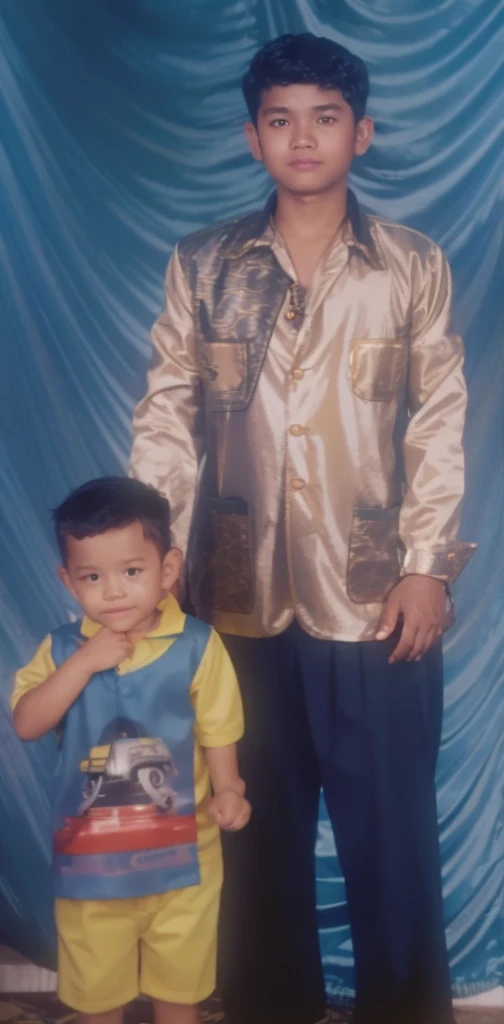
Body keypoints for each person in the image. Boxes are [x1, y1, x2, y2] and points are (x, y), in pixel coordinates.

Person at [130, 32, 476, 1024]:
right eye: (281, 119)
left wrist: (427, 566)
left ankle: (405, 1010)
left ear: (360, 132)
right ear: (253, 136)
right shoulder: (203, 266)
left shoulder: (410, 266)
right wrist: (158, 560)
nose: (304, 137)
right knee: (249, 827)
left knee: (391, 835)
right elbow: (167, 412)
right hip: (232, 597)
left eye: (325, 117)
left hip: (378, 600)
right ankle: (271, 1005)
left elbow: (441, 417)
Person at [11, 476, 250, 1024]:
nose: (114, 592)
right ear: (69, 582)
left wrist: (230, 788)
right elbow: (27, 722)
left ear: (168, 570)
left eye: (132, 572)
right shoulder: (62, 648)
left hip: (184, 860)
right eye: (93, 577)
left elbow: (218, 725)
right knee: (100, 999)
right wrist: (83, 662)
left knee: (178, 991)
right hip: (90, 868)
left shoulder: (197, 644)